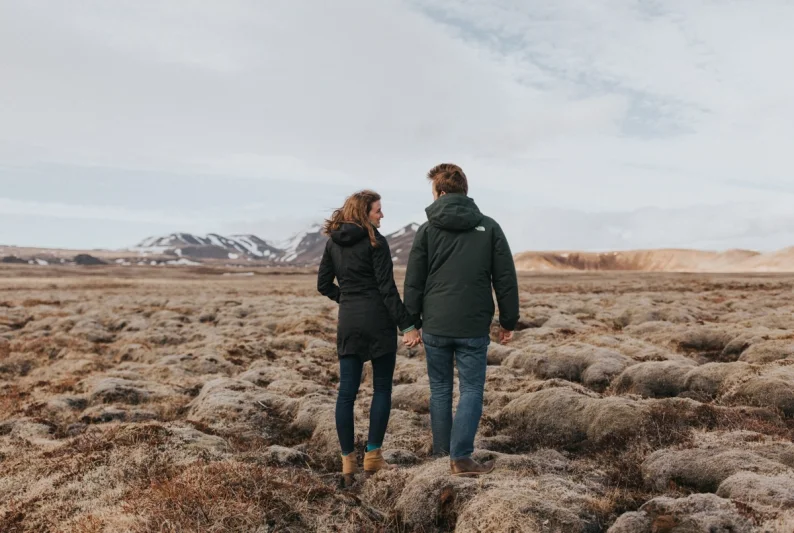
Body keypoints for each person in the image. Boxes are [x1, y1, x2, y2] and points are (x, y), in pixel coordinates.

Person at [403, 163, 520, 477]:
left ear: (439, 192)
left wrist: (410, 322)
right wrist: (508, 321)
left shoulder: (427, 230)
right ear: (464, 191)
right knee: (471, 390)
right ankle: (461, 458)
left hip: (437, 324)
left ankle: (444, 455)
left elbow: (414, 280)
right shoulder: (490, 227)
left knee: (440, 389)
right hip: (472, 325)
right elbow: (505, 278)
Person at [317, 190, 422, 486]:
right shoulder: (376, 240)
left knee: (346, 394)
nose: (382, 215)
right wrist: (408, 326)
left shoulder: (332, 243)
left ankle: (348, 463)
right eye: (378, 210)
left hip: (349, 321)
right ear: (365, 212)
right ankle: (373, 457)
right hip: (378, 321)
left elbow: (323, 284)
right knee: (381, 390)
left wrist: (347, 298)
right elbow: (387, 290)